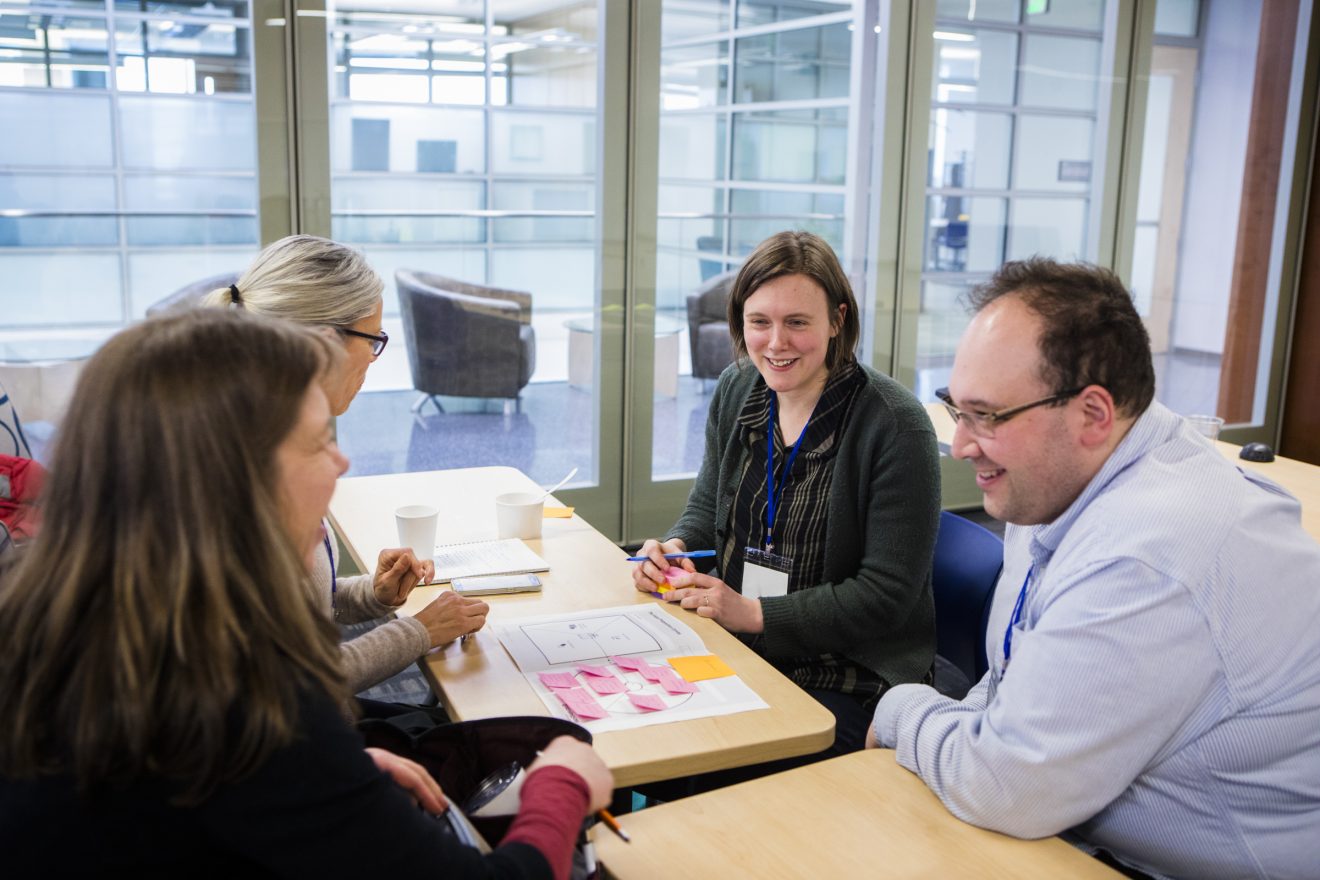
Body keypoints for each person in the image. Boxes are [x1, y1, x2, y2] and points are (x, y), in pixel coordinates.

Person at [0, 309, 612, 877]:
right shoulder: (247, 700)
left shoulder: (65, 624)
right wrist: (561, 782)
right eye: (320, 441)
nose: (342, 463)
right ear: (244, 480)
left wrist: (331, 782)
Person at [867, 258, 1320, 879]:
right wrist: (958, 726)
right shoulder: (1056, 480)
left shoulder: (1148, 552)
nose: (963, 443)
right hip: (1081, 835)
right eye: (958, 409)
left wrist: (903, 711)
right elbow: (1011, 681)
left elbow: (1010, 786)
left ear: (1093, 415)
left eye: (989, 416)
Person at [633, 230, 941, 758]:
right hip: (739, 644)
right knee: (645, 728)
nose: (776, 343)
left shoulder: (894, 425)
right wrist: (677, 549)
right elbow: (708, 505)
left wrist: (754, 613)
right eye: (760, 322)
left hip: (845, 669)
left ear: (837, 320)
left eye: (797, 322)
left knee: (712, 758)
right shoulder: (738, 388)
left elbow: (885, 596)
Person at [203, 235, 488, 695]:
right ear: (323, 340)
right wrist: (418, 632)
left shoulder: (263, 438)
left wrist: (371, 596)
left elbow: (297, 611)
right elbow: (288, 682)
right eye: (373, 339)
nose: (339, 463)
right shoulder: (238, 484)